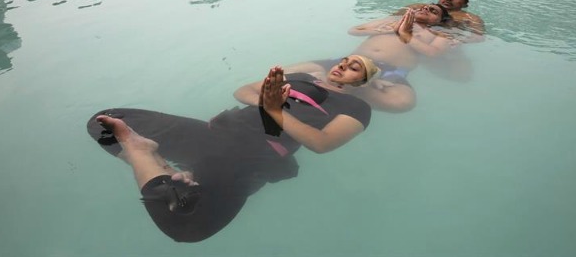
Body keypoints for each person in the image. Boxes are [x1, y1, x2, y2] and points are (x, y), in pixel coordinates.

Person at [87, 55, 378, 242]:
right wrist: (267, 103)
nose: (343, 65)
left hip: (252, 158)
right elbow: (242, 91)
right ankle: (157, 161)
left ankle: (148, 156)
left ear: (362, 82)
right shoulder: (302, 75)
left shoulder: (356, 107)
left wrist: (276, 113)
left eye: (355, 68)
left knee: (189, 227)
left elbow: (322, 143)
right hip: (217, 134)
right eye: (345, 60)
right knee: (104, 124)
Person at [396, 0, 485, 41]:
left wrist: (455, 41)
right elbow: (392, 17)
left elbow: (478, 38)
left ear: (465, 4)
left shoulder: (470, 18)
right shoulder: (419, 7)